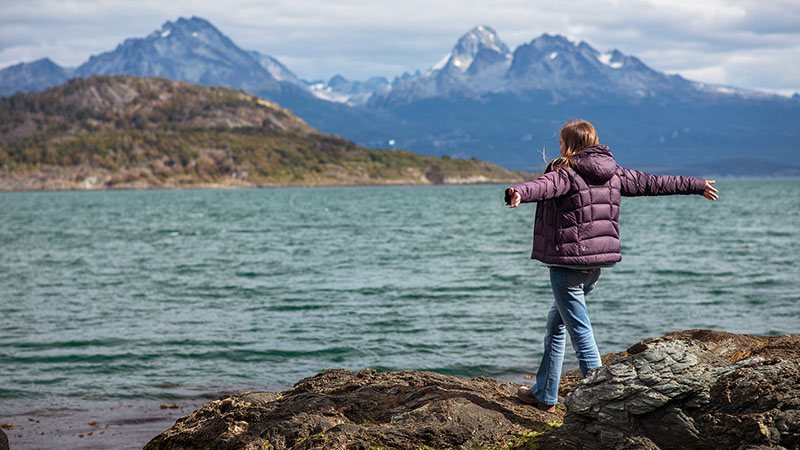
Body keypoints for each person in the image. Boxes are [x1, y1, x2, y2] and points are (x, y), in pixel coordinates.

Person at [505, 119, 718, 413]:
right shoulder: (613, 172)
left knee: (580, 332)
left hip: (569, 263)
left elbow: (544, 185)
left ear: (569, 144)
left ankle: (604, 400)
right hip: (596, 264)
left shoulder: (566, 171)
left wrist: (519, 192)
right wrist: (696, 185)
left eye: (561, 143)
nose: (559, 147)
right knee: (556, 324)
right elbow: (654, 183)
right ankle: (544, 393)